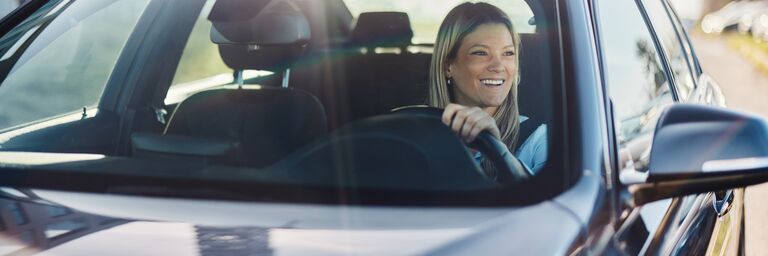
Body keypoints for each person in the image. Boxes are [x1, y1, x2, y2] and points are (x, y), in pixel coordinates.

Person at [428, 2, 547, 176]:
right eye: (481, 53)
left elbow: (547, 193)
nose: (498, 66)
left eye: (508, 53)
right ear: (448, 66)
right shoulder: (417, 135)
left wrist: (500, 153)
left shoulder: (539, 139)